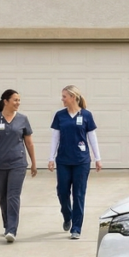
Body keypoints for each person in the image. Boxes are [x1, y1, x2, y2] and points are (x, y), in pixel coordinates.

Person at [48, 85, 102, 239]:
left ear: (73, 97)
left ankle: (76, 228)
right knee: (62, 192)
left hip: (81, 161)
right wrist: (51, 158)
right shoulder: (60, 116)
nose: (62, 99)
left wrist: (98, 158)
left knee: (78, 194)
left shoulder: (86, 115)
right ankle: (67, 215)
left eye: (64, 96)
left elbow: (92, 138)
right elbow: (55, 138)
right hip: (64, 160)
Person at [0, 89, 37, 243]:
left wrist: (33, 163)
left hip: (18, 163)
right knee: (3, 197)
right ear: (5, 101)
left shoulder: (23, 119)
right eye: (15, 100)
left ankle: (11, 230)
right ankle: (7, 224)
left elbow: (29, 142)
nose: (18, 103)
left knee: (13, 196)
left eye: (19, 100)